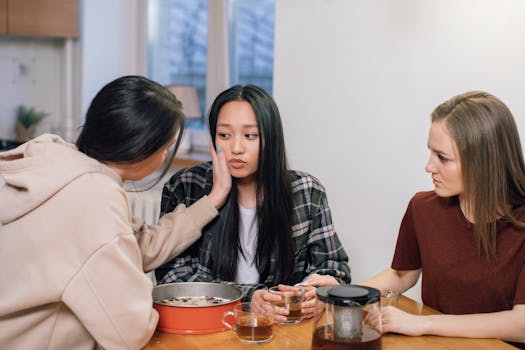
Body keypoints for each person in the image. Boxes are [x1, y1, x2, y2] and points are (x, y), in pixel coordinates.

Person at [0, 75, 231, 349]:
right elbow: (131, 331)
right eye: (166, 148)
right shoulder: (93, 198)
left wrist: (213, 200)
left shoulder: (64, 169)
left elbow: (138, 245)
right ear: (141, 148)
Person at [155, 84, 351, 321]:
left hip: (283, 329)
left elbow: (334, 267)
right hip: (210, 327)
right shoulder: (186, 186)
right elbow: (172, 277)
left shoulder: (307, 191)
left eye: (250, 136)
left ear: (271, 138)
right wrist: (251, 297)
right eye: (224, 135)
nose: (236, 148)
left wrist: (316, 292)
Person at [361, 91, 525, 347]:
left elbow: (522, 324)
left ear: (483, 163)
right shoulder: (422, 207)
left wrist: (423, 323)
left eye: (442, 158)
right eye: (430, 153)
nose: (429, 166)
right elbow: (402, 275)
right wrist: (338, 295)